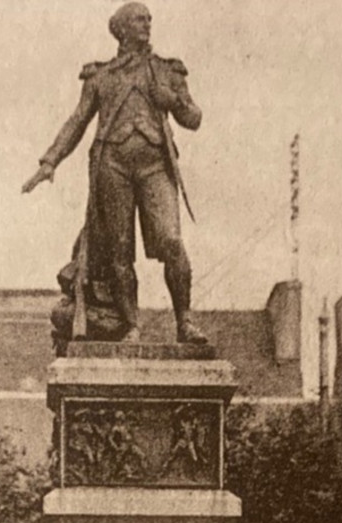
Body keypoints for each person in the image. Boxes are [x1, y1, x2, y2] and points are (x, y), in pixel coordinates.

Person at [22, 2, 207, 346]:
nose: (147, 24)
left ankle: (185, 322)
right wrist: (49, 162)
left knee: (171, 240)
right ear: (120, 28)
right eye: (139, 19)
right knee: (119, 252)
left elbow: (194, 118)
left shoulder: (167, 70)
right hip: (112, 168)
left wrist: (171, 101)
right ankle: (131, 325)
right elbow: (77, 121)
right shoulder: (101, 76)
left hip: (155, 165)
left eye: (149, 19)